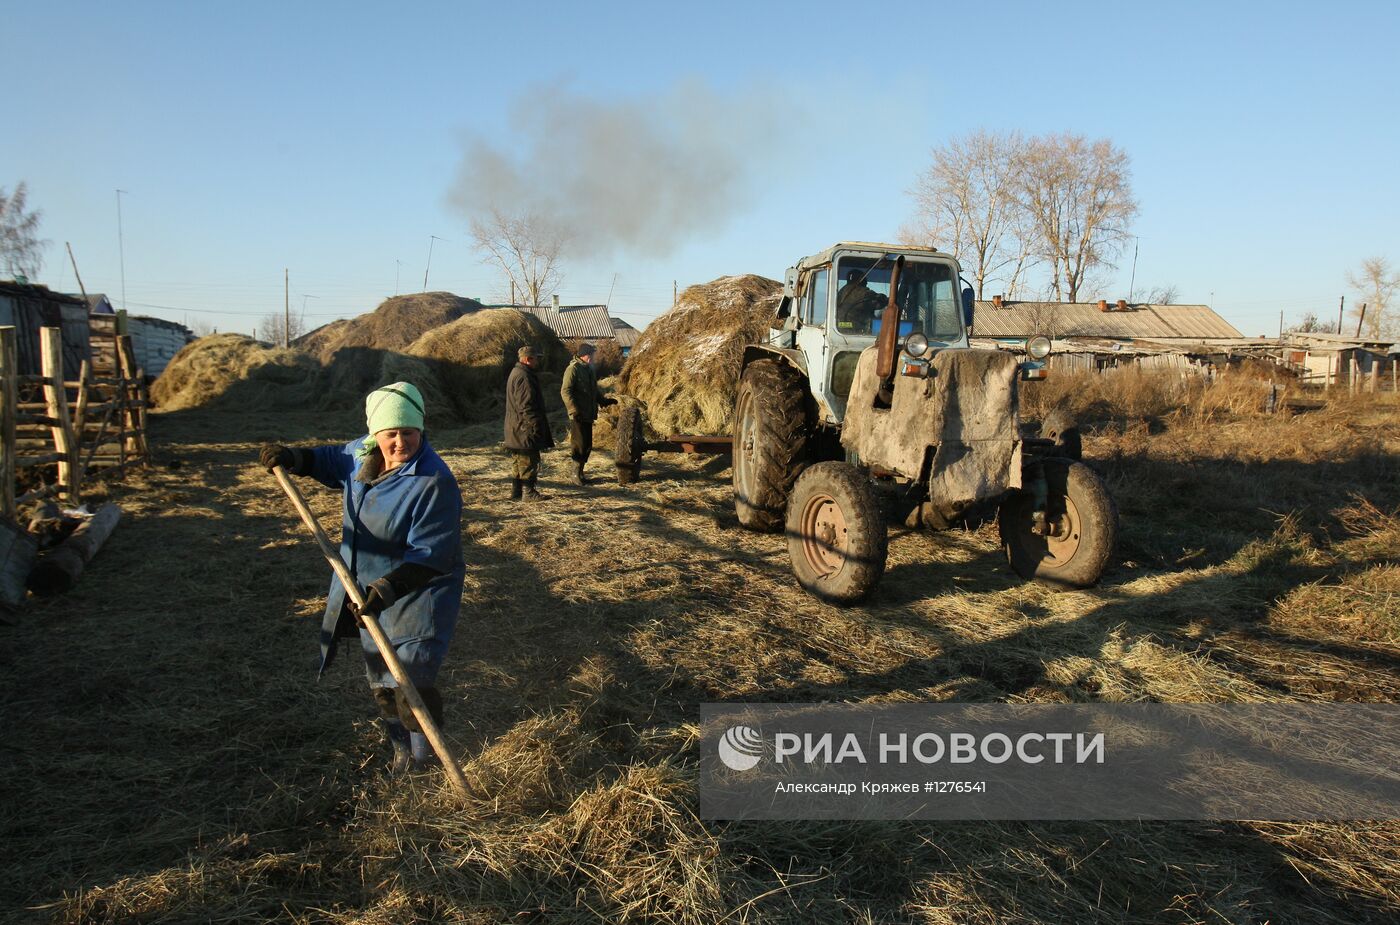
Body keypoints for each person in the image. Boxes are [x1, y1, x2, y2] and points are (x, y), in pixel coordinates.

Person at [258, 381, 465, 773]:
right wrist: (294, 457)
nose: (401, 443)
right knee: (382, 685)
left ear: (422, 430)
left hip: (418, 595)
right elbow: (331, 459)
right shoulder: (361, 452)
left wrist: (387, 589)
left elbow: (432, 553)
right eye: (391, 434)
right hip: (365, 589)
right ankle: (400, 751)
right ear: (375, 435)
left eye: (409, 432)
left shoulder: (433, 481)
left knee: (412, 684)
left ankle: (424, 761)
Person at [560, 343, 617, 484]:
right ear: (584, 355)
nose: (592, 357)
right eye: (591, 355)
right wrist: (573, 410)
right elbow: (565, 391)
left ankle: (581, 473)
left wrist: (603, 401)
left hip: (588, 413)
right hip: (578, 414)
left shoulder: (589, 370)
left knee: (587, 445)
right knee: (579, 444)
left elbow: (593, 390)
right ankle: (575, 475)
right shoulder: (573, 369)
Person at [504, 344, 554, 501]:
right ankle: (528, 492)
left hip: (515, 426)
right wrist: (534, 426)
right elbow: (527, 405)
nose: (538, 362)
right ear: (527, 359)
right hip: (524, 427)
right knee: (528, 460)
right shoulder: (524, 376)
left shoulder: (516, 372)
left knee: (518, 460)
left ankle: (516, 491)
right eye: (536, 359)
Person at [836, 269, 884, 335]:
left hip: (842, 327)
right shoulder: (862, 292)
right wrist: (886, 299)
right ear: (860, 279)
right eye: (865, 279)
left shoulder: (842, 291)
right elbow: (879, 303)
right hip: (857, 328)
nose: (866, 283)